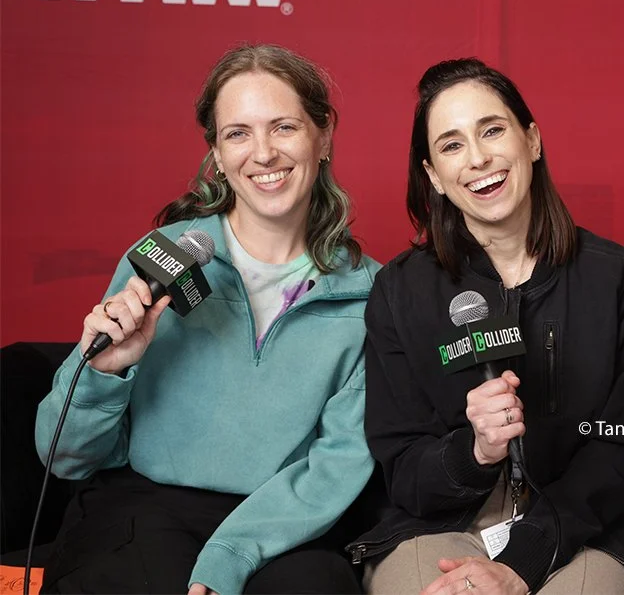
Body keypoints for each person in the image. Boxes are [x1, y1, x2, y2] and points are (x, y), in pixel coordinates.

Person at [34, 44, 381, 594]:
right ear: (217, 154)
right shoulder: (154, 258)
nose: (263, 153)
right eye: (238, 133)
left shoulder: (371, 297)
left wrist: (231, 555)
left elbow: (336, 465)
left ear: (323, 138)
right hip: (142, 509)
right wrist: (104, 370)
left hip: (282, 525)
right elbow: (65, 457)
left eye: (284, 127)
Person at [349, 58, 624, 595]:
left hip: (577, 533)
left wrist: (529, 552)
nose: (478, 158)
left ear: (532, 140)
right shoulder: (401, 292)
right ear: (434, 177)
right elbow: (401, 466)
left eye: (492, 130)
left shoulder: (616, 277)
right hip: (439, 528)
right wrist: (473, 452)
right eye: (451, 146)